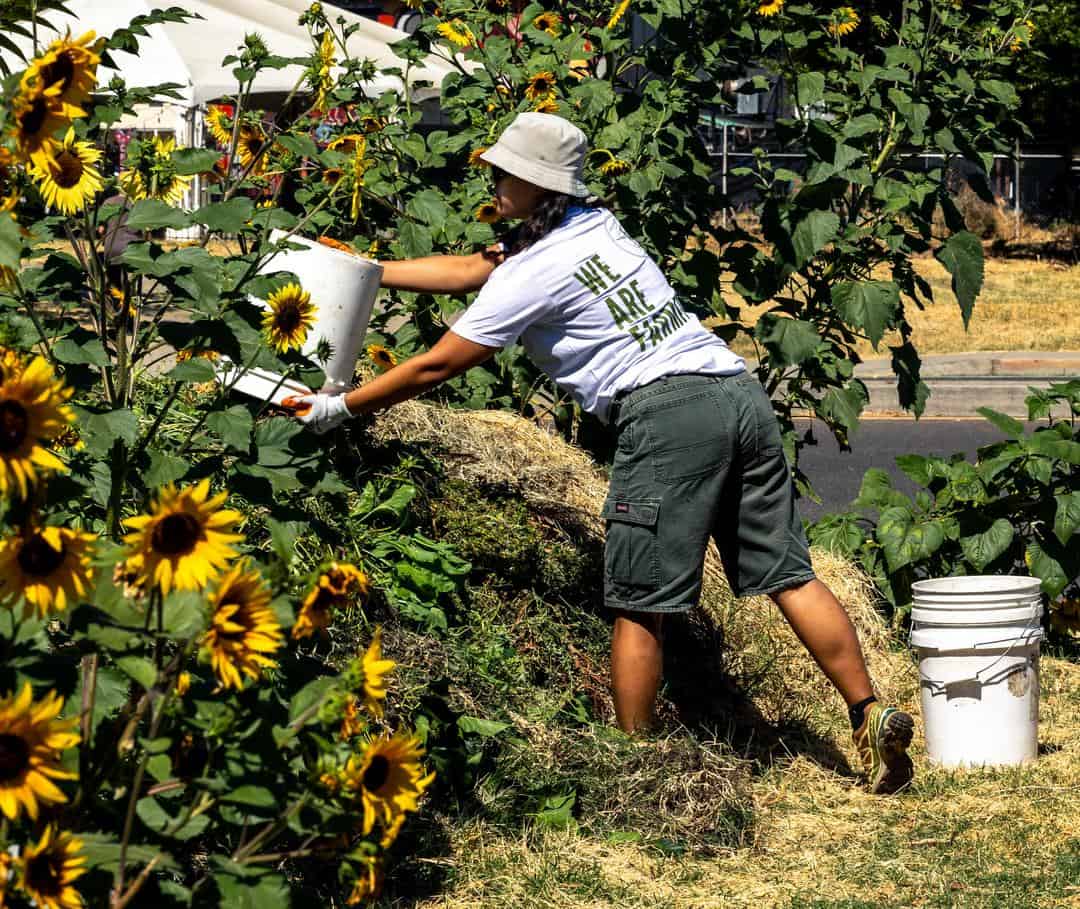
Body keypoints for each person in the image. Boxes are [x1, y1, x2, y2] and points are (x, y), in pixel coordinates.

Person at [285, 112, 915, 795]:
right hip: (737, 394)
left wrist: (339, 407)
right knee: (788, 574)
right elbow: (475, 268)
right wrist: (371, 269)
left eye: (505, 173)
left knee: (640, 600)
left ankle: (633, 768)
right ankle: (868, 711)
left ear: (536, 183)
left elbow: (438, 365)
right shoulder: (592, 226)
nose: (493, 181)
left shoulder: (537, 271)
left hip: (669, 414)